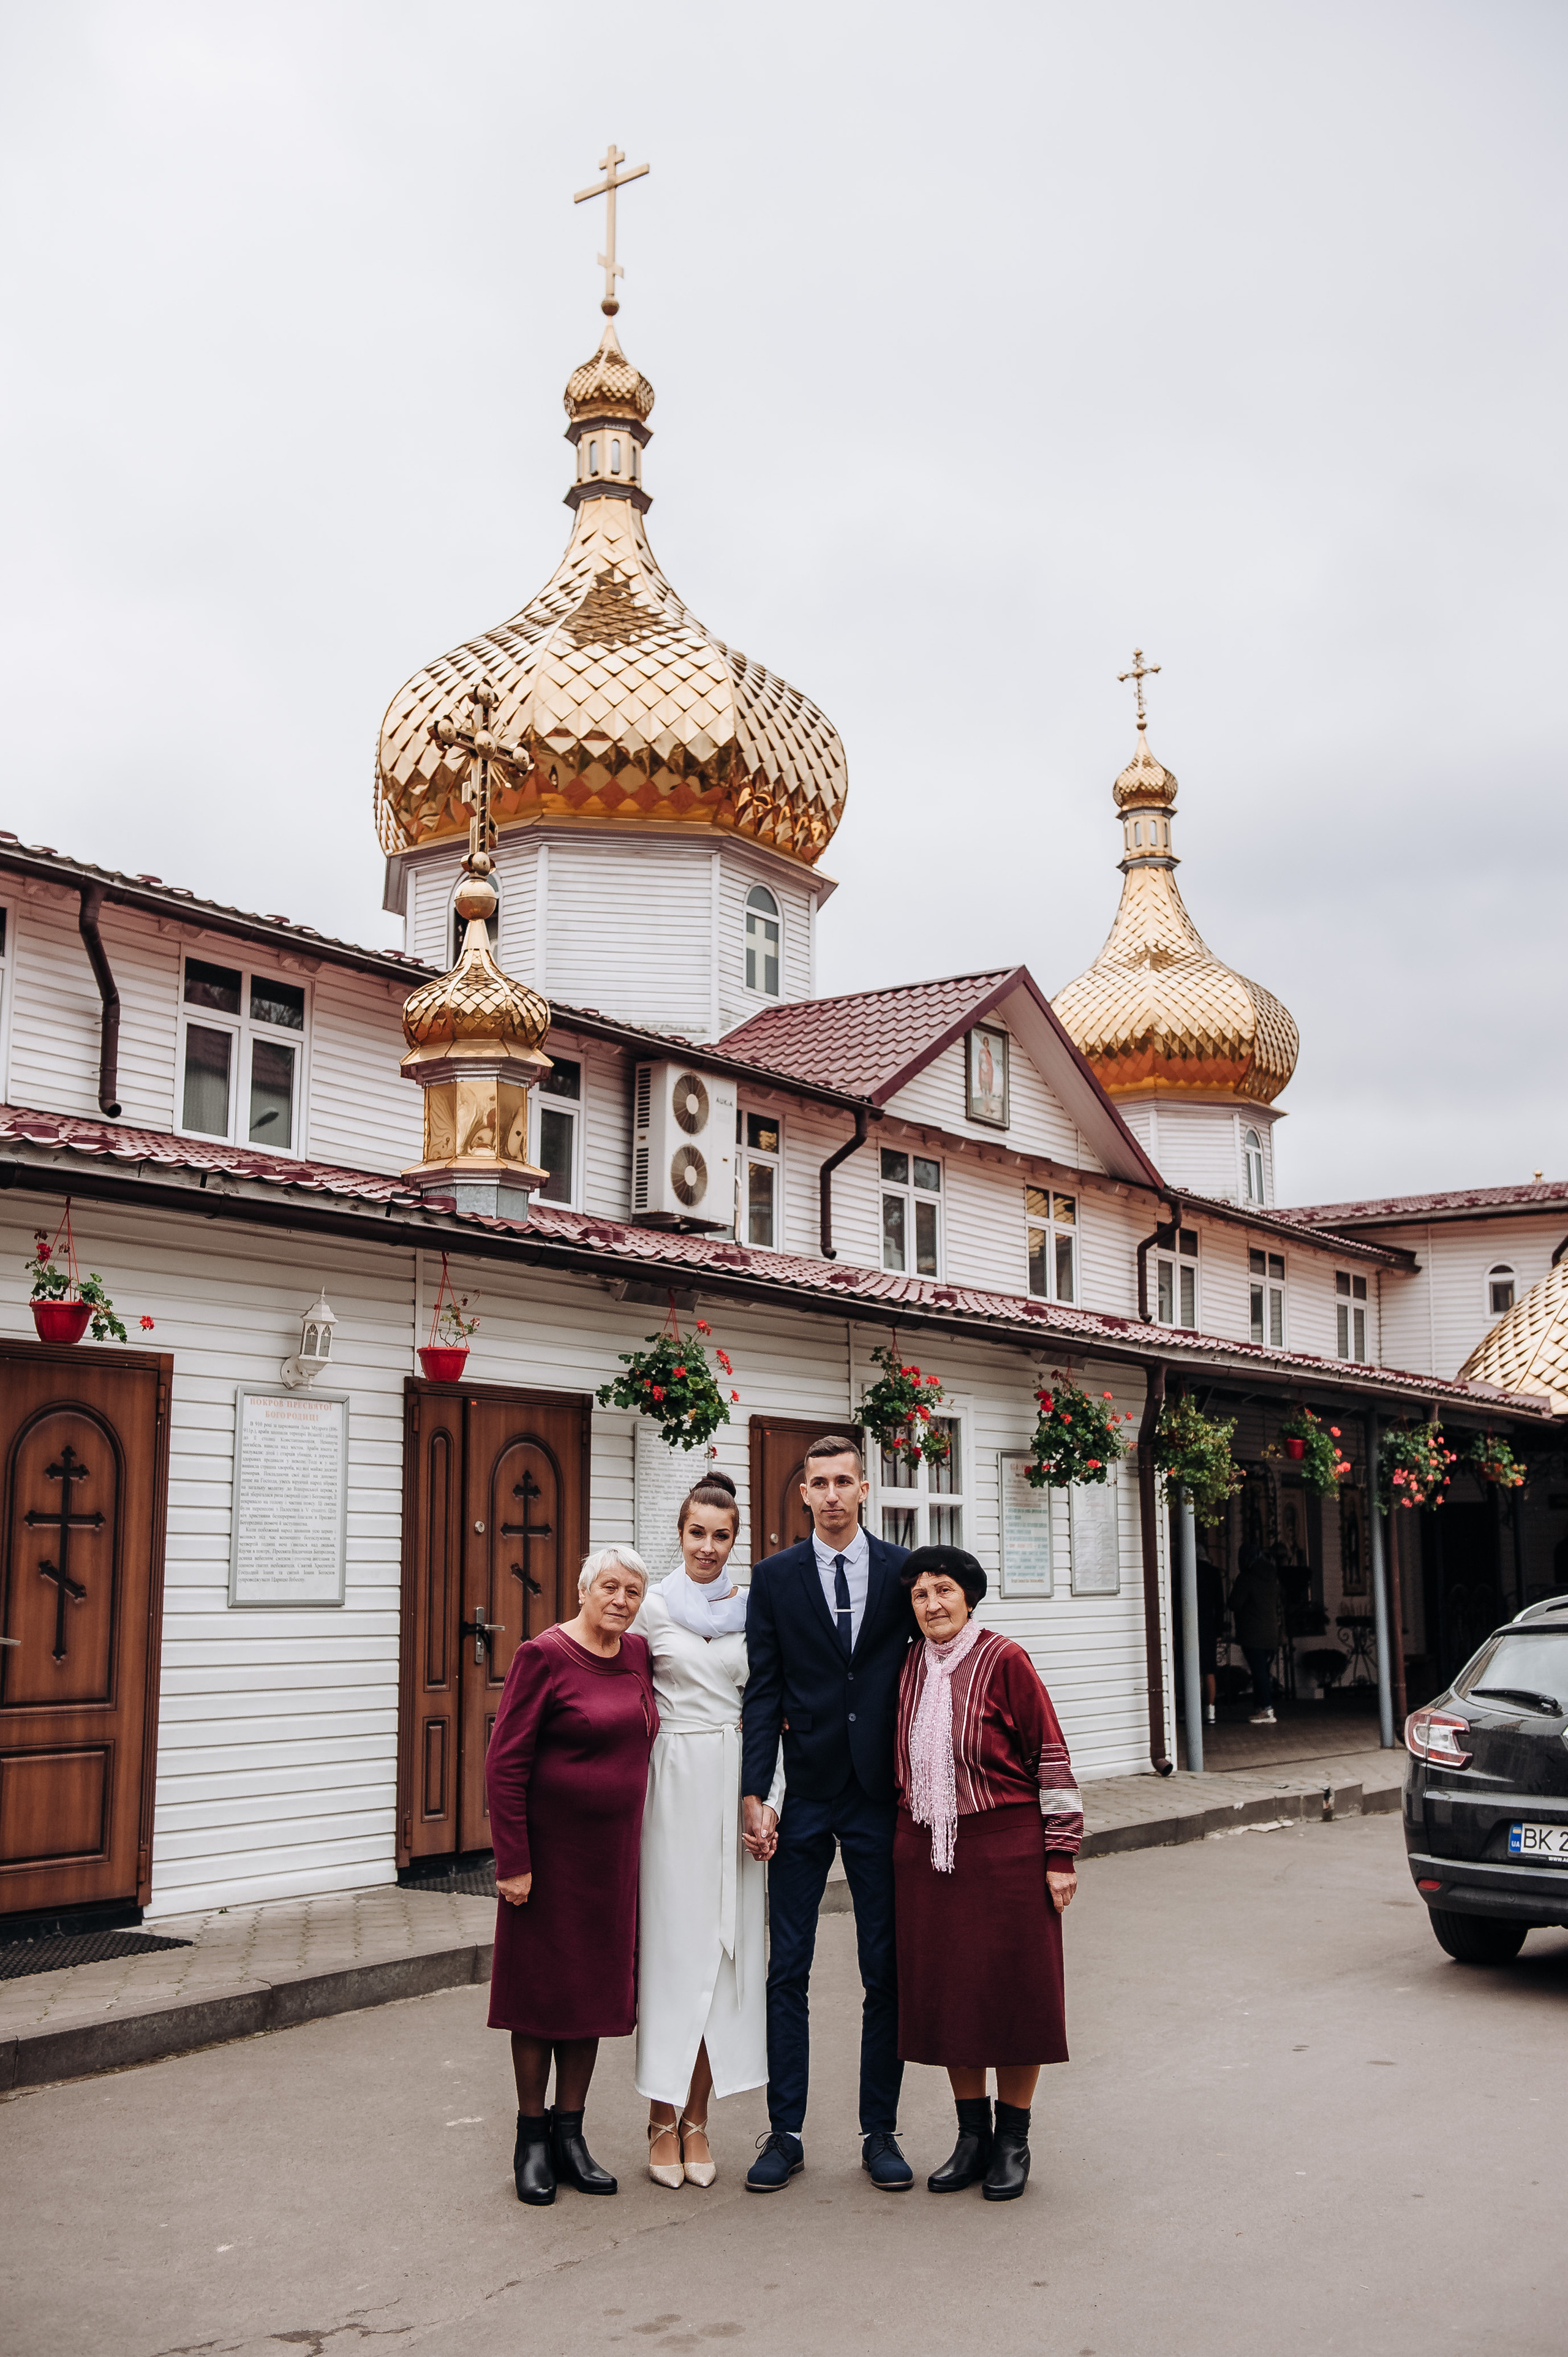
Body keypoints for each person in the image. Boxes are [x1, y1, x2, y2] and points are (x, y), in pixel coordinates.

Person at [741, 1434, 914, 2193]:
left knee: (885, 1969)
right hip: (807, 1791)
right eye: (821, 1483)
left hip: (879, 1795)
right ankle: (785, 2131)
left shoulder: (905, 1570)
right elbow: (763, 1691)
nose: (834, 1494)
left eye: (846, 1480)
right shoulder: (774, 1579)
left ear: (866, 1489)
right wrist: (756, 1791)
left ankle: (880, 2130)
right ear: (803, 1493)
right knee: (790, 1967)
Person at [892, 1545, 1082, 2202]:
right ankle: (970, 2136)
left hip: (1006, 1848)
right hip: (928, 1851)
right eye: (920, 1595)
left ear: (968, 1597)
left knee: (1013, 1993)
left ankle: (1012, 2139)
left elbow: (1050, 1755)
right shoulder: (910, 1664)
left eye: (943, 1590)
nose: (932, 1604)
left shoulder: (1006, 1660)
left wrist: (1059, 1854)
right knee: (953, 1997)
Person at [484, 1545, 658, 2208]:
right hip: (548, 1859)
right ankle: (531, 2139)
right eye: (609, 1587)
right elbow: (504, 1764)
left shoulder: (638, 1655)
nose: (621, 1600)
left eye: (633, 1591)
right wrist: (514, 1862)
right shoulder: (543, 1655)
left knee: (588, 1995)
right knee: (540, 1998)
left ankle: (570, 2135)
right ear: (585, 1589)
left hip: (610, 1858)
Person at [633, 1471, 784, 2190]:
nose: (708, 1547)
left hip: (734, 1780)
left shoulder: (751, 1608)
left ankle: (699, 2118)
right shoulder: (652, 1606)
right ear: (680, 1531)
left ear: (734, 1539)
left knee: (725, 1959)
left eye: (722, 1536)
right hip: (672, 1785)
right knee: (674, 1953)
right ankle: (660, 2117)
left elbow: (766, 1710)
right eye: (697, 1532)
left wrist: (767, 1799)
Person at [1229, 1544, 1284, 1725]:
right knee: (1263, 1671)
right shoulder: (1272, 1578)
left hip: (1253, 1632)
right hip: (1271, 1632)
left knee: (1259, 1671)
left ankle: (1266, 1709)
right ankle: (1261, 1706)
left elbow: (1234, 1603)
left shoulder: (1246, 1578)